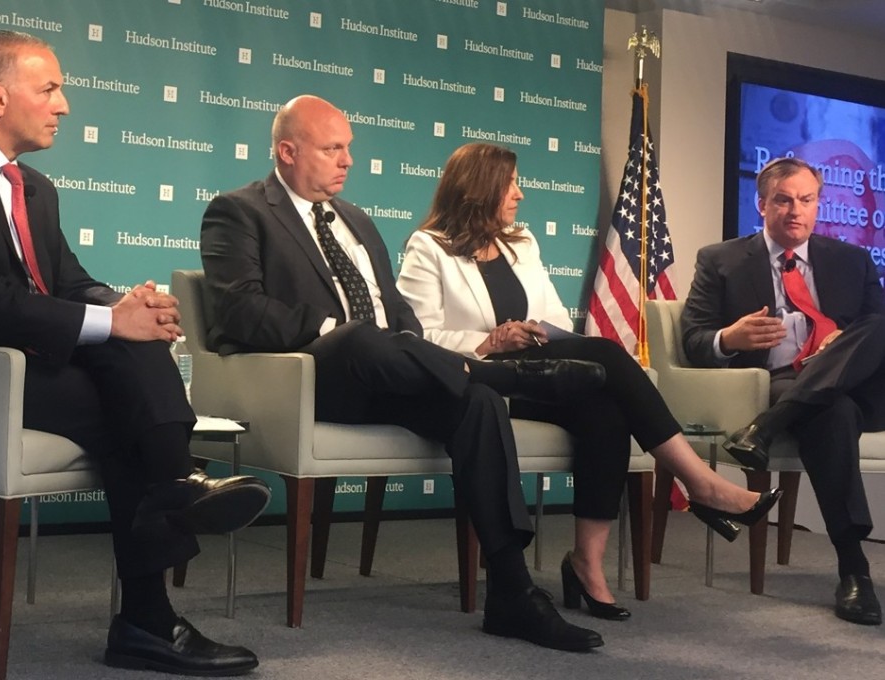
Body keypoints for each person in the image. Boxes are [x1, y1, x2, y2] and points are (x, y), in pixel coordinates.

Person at [0, 30, 272, 675]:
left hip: (24, 361)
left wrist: (128, 307)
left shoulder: (34, 187)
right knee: (123, 396)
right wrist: (113, 321)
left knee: (131, 351)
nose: (64, 105)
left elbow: (72, 282)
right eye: (50, 88)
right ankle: (161, 557)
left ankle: (170, 509)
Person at [200, 94, 615, 652]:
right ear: (288, 151)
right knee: (359, 335)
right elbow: (239, 310)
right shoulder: (238, 211)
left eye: (349, 147)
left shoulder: (355, 219)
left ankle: (512, 592)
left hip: (391, 374)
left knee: (475, 404)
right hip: (308, 381)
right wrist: (333, 329)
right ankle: (504, 376)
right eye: (332, 149)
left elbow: (397, 312)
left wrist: (405, 346)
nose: (348, 160)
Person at [396, 142, 781, 621]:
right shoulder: (428, 247)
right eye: (510, 184)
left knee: (607, 410)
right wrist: (489, 341)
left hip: (537, 371)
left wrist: (537, 332)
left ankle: (587, 563)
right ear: (480, 188)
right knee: (606, 354)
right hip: (482, 380)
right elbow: (417, 337)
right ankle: (699, 480)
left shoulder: (521, 243)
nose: (519, 194)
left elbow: (556, 316)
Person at [681, 156, 885, 626]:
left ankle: (766, 428)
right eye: (784, 200)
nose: (796, 211)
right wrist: (730, 338)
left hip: (858, 385)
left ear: (818, 205)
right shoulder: (721, 260)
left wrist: (842, 344)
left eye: (806, 200)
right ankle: (854, 568)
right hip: (784, 381)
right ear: (762, 205)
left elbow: (876, 331)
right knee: (832, 412)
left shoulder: (852, 260)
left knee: (876, 326)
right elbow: (693, 339)